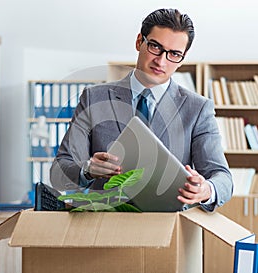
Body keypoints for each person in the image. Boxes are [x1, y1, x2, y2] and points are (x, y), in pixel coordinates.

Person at [50, 8, 233, 212]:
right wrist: (87, 170)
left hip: (168, 230)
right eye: (155, 47)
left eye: (174, 54)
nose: (161, 61)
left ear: (182, 58)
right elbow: (59, 172)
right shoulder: (94, 98)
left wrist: (206, 189)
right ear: (139, 42)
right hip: (104, 226)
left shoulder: (197, 109)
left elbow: (222, 177)